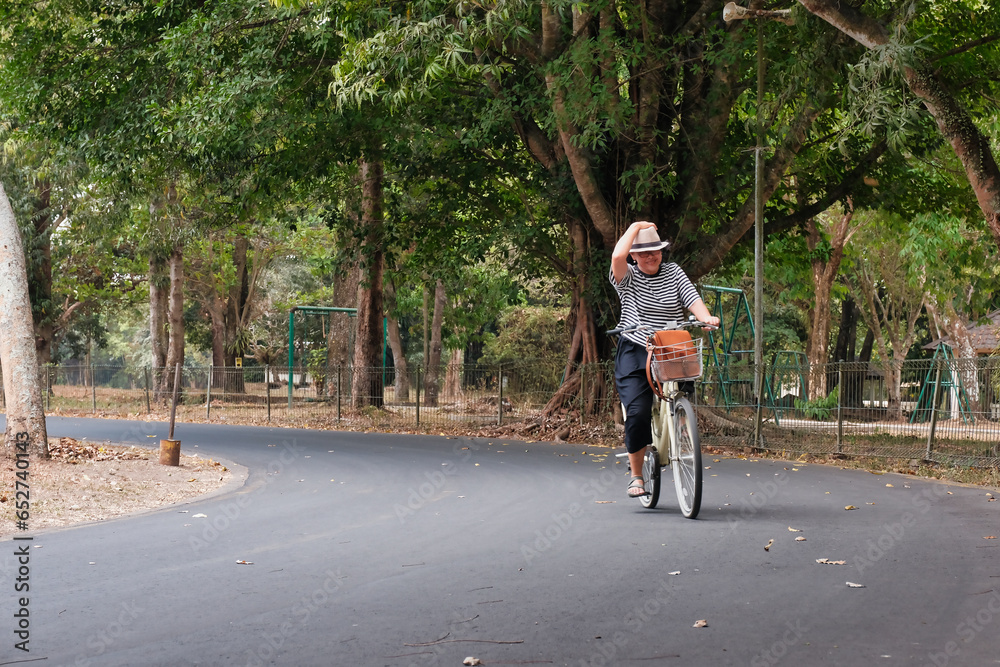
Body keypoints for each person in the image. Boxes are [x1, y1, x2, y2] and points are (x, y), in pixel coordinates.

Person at [610, 221, 720, 498]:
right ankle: (636, 476)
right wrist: (635, 227)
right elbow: (616, 257)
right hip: (636, 349)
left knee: (682, 391)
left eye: (655, 251)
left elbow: (691, 298)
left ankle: (681, 429)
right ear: (634, 255)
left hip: (671, 347)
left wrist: (705, 317)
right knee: (637, 412)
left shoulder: (673, 272)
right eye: (644, 252)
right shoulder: (628, 277)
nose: (651, 256)